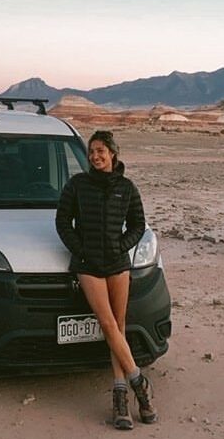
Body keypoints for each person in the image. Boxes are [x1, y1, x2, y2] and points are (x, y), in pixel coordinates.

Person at [55, 130, 157, 430]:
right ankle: (139, 383)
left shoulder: (126, 187)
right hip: (88, 265)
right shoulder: (77, 185)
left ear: (112, 153)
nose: (95, 156)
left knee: (119, 326)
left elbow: (138, 224)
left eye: (100, 151)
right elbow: (62, 222)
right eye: (91, 152)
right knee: (108, 324)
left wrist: (121, 246)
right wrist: (81, 249)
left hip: (117, 264)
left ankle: (120, 395)